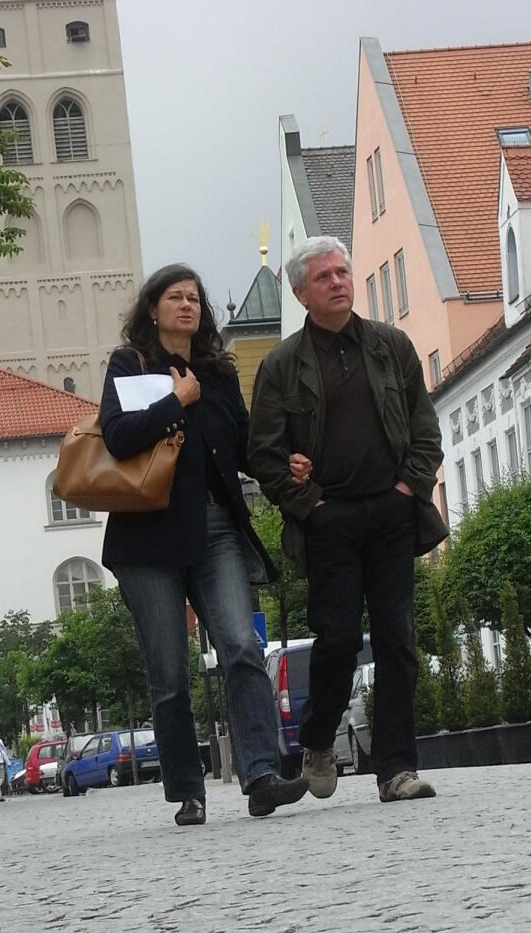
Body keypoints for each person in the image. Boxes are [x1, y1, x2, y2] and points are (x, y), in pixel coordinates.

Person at [99, 263, 308, 826]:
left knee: (241, 647)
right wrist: (175, 401)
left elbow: (240, 446)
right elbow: (117, 437)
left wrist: (282, 462)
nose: (187, 305)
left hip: (215, 528)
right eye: (175, 296)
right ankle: (189, 792)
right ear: (153, 309)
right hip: (148, 538)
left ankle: (261, 776)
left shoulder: (217, 371)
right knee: (169, 676)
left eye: (194, 297)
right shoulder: (130, 364)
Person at [248, 236, 445, 804]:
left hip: (391, 511)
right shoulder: (282, 366)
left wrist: (408, 488)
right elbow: (264, 454)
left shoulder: (390, 346)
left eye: (342, 272)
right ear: (300, 293)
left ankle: (396, 768)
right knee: (336, 641)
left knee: (397, 640)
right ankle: (317, 740)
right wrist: (309, 504)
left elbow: (425, 428)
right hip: (328, 519)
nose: (337, 282)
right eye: (323, 277)